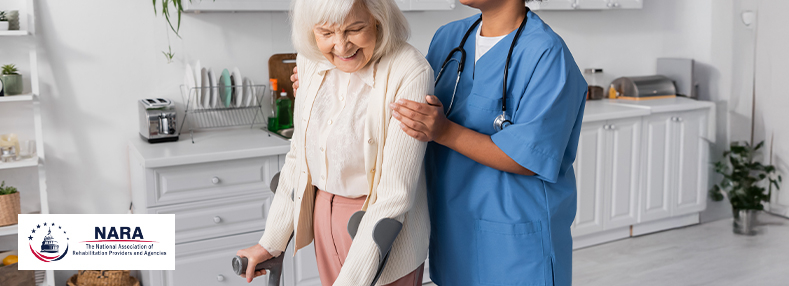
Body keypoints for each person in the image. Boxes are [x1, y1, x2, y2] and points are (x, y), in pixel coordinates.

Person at [388, 0, 587, 285]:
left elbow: (528, 157)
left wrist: (445, 132)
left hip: (514, 237)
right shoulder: (449, 38)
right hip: (454, 227)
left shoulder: (546, 53)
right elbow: (404, 98)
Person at [236, 0, 433, 285]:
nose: (341, 47)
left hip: (382, 227)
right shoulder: (310, 61)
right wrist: (271, 242)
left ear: (378, 19)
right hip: (323, 218)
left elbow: (394, 194)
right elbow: (298, 157)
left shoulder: (409, 71)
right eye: (326, 33)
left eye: (355, 29)